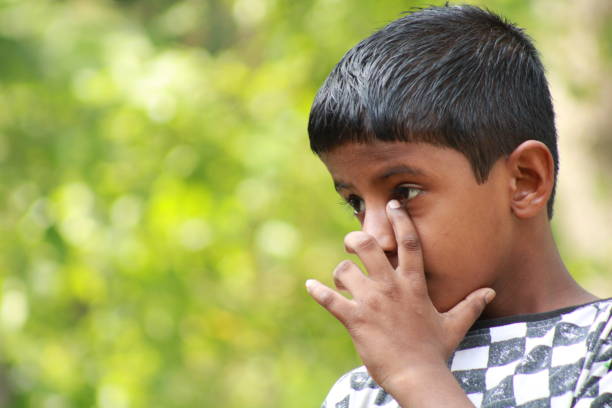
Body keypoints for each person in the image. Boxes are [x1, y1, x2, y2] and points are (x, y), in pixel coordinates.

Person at [304, 4, 611, 408]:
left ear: (525, 181)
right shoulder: (360, 394)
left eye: (405, 192)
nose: (374, 236)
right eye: (356, 202)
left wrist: (418, 376)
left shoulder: (598, 349)